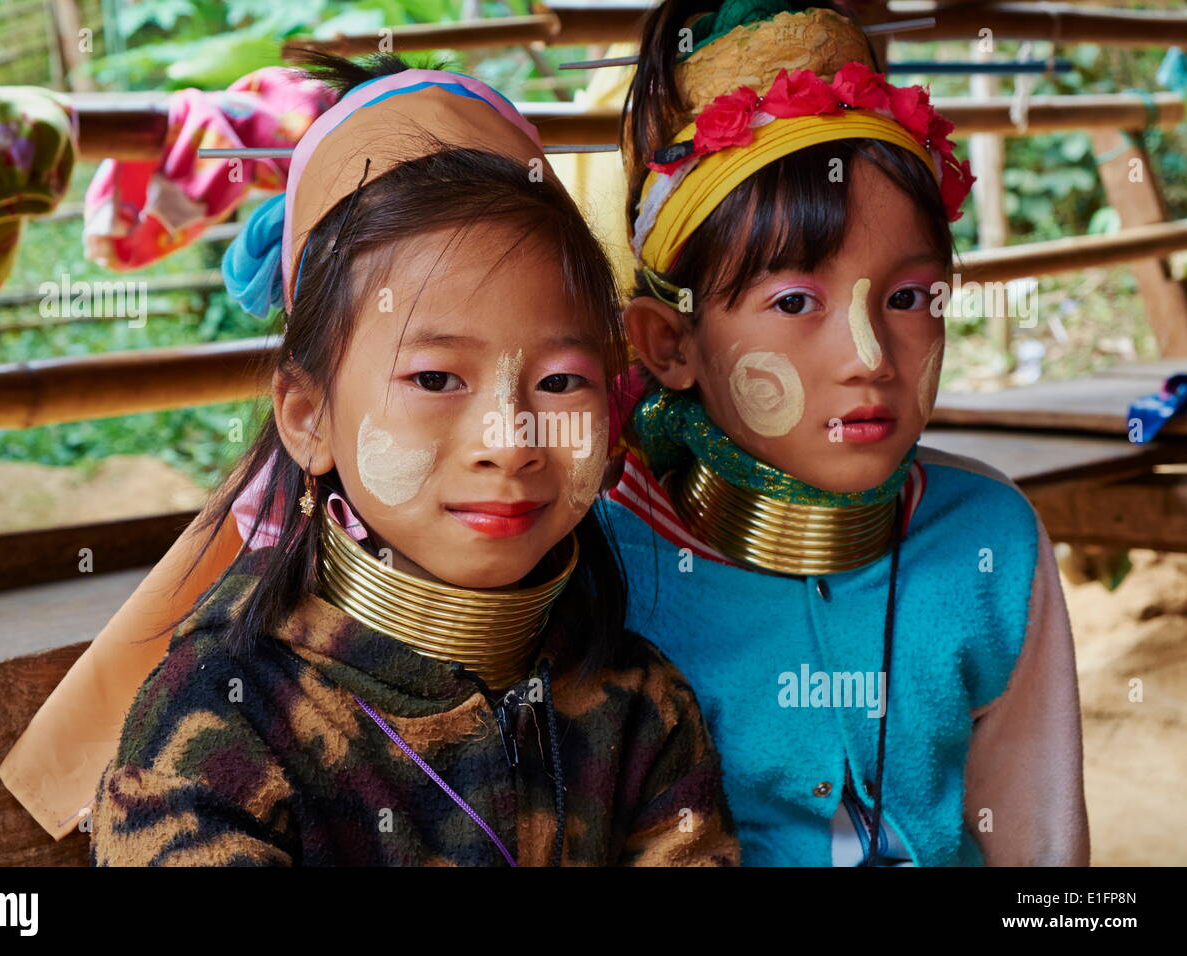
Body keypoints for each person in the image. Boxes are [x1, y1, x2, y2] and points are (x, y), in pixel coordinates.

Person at [80, 54, 738, 866]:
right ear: (308, 416)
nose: (509, 440)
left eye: (561, 380)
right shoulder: (227, 717)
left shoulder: (640, 708)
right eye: (433, 378)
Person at [599, 0, 1088, 865]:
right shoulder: (605, 564)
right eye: (795, 303)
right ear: (669, 344)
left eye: (906, 299)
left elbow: (1039, 855)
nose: (869, 358)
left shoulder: (989, 541)